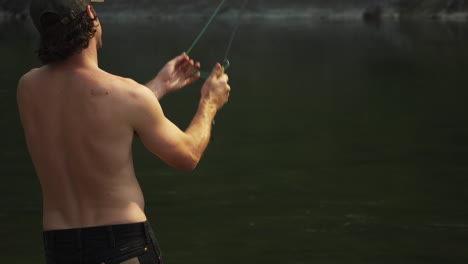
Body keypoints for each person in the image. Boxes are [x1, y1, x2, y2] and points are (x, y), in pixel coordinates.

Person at [17, 0, 231, 263]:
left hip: (60, 247)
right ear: (90, 13)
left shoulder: (28, 88)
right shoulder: (128, 95)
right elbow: (187, 156)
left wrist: (157, 87)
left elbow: (94, 117)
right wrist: (209, 102)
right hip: (122, 246)